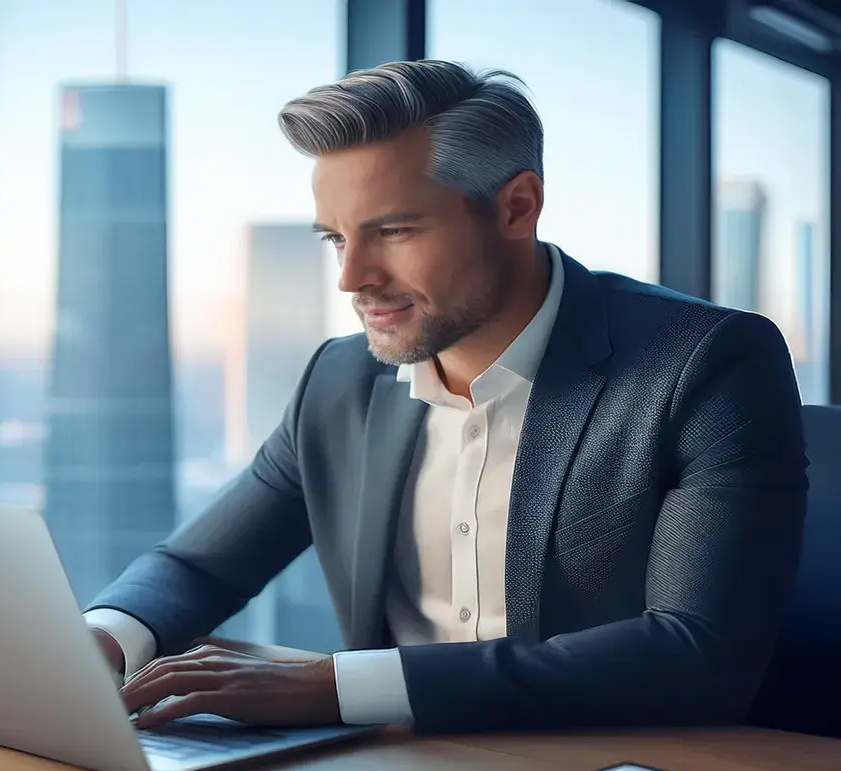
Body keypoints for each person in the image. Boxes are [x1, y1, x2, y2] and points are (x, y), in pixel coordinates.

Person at [81, 59, 808, 735]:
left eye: (393, 231)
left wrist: (334, 687)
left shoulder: (705, 364)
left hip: (607, 766)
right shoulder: (340, 382)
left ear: (517, 207)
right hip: (394, 768)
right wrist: (102, 639)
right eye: (335, 239)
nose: (352, 278)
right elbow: (198, 566)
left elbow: (698, 654)